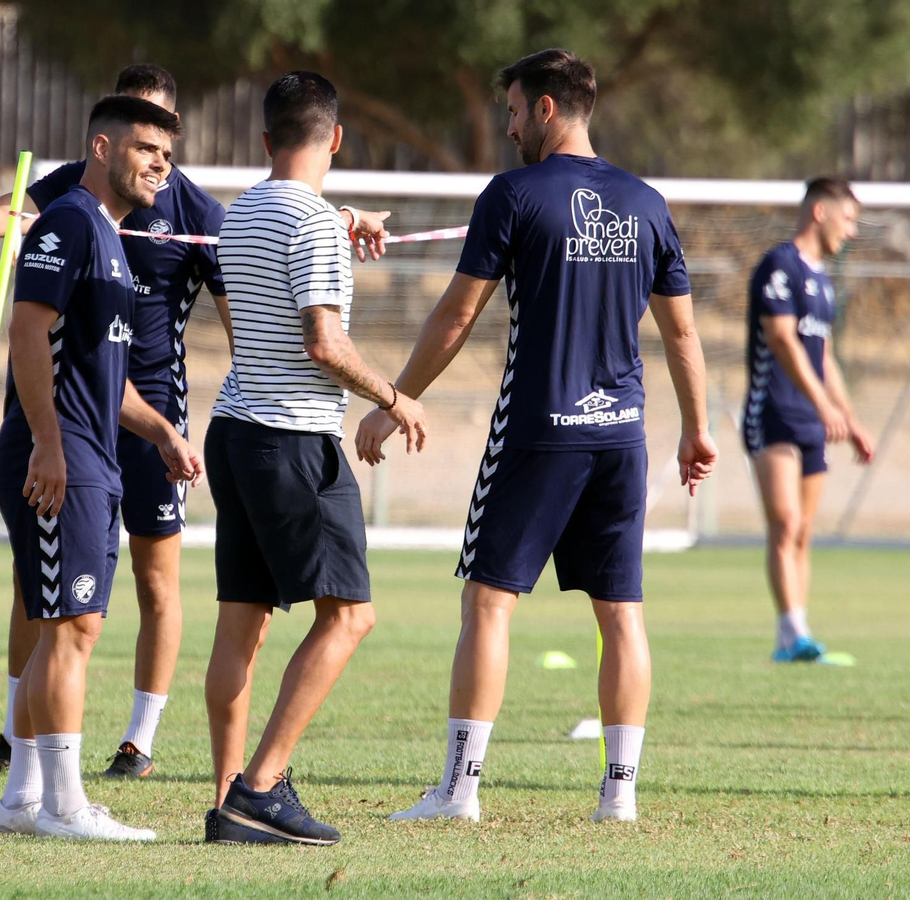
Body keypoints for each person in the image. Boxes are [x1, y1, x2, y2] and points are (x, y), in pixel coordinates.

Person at [0, 65, 389, 775]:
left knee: (155, 580)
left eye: (162, 130)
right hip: (73, 412)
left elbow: (255, 292)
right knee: (43, 588)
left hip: (153, 418)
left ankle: (139, 739)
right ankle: (24, 746)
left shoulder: (195, 210)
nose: (153, 146)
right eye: (137, 126)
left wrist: (344, 222)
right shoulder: (74, 198)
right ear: (109, 136)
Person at [355, 49, 716, 825]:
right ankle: (619, 795)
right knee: (621, 611)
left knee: (488, 603)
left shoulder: (513, 194)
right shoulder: (647, 202)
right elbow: (683, 336)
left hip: (540, 430)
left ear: (548, 109)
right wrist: (697, 429)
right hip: (623, 437)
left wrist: (396, 398)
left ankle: (459, 792)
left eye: (515, 110)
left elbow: (457, 315)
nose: (509, 124)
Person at [201, 71, 426, 847]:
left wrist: (346, 219)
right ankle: (260, 789)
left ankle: (226, 798)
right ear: (336, 138)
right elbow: (323, 342)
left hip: (232, 433)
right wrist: (396, 398)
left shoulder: (241, 215)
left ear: (265, 140)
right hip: (293, 438)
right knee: (350, 617)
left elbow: (294, 242)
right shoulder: (320, 225)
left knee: (242, 621)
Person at [0, 95, 200, 841]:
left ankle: (20, 801)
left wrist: (164, 433)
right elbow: (26, 330)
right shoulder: (69, 221)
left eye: (167, 155)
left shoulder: (111, 236)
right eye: (146, 148)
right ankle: (65, 807)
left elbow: (102, 374)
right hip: (60, 459)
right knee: (72, 626)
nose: (159, 165)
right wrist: (46, 443)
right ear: (102, 148)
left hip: (93, 453)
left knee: (61, 629)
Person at [742, 178, 874, 663]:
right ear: (820, 212)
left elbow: (825, 357)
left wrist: (850, 418)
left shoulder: (824, 282)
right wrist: (822, 405)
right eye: (849, 218)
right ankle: (790, 632)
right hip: (774, 413)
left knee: (804, 531)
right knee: (785, 522)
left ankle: (798, 631)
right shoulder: (779, 266)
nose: (852, 231)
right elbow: (782, 339)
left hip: (813, 420)